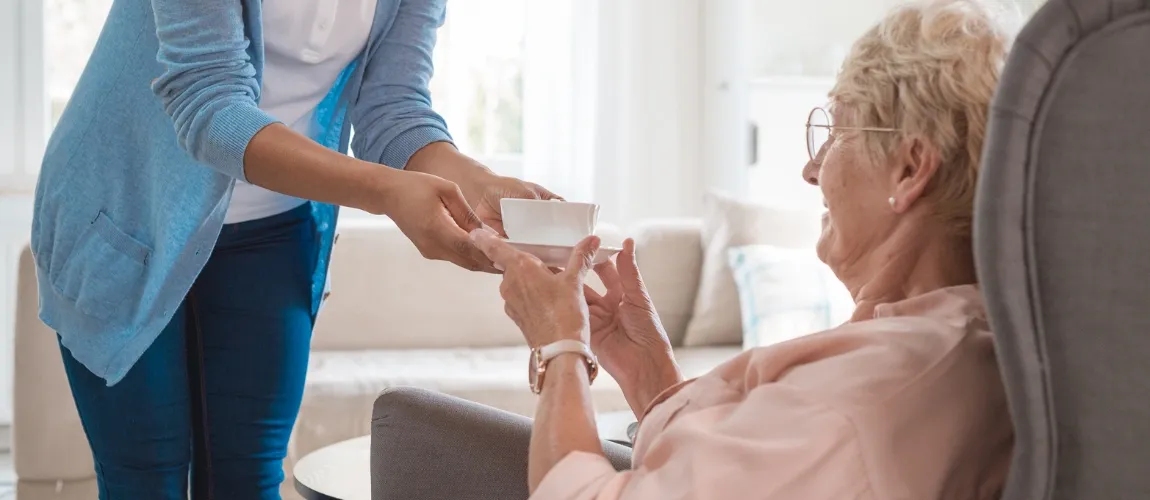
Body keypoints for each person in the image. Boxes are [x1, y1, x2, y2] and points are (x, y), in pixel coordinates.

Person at [466, 0, 1015, 498]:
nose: (811, 168)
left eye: (838, 132)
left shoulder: (861, 400)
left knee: (424, 429)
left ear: (910, 168)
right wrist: (647, 371)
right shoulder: (956, 339)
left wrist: (560, 345)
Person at [30, 0, 555, 498]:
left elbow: (393, 105)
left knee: (249, 476)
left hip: (273, 226)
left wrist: (477, 183)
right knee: (145, 479)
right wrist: (387, 193)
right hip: (125, 214)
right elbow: (208, 105)